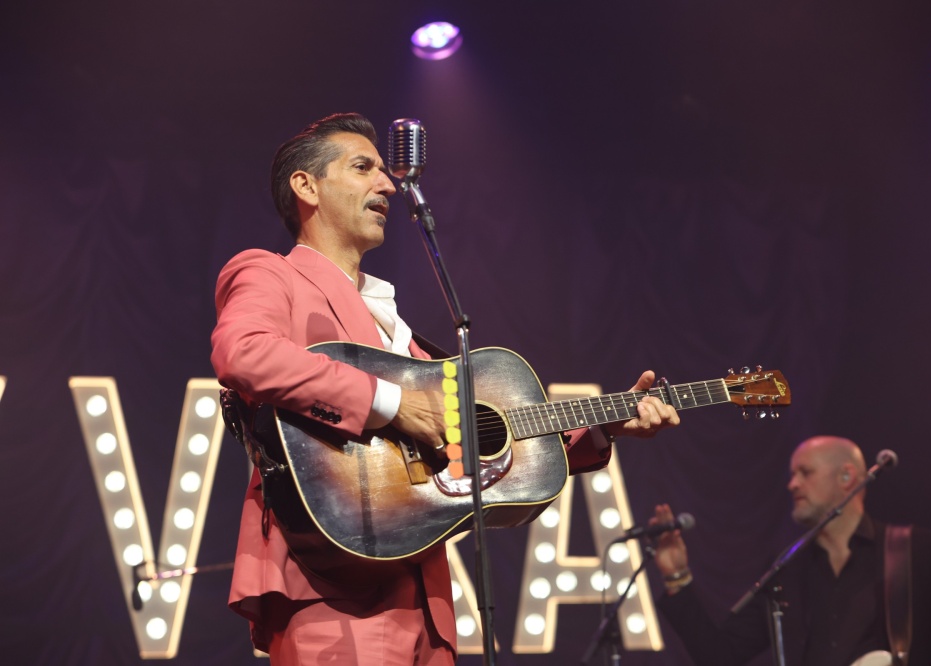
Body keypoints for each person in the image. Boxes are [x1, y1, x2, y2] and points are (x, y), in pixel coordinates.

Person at [210, 112, 681, 665]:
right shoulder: (270, 273)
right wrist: (391, 403)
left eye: (384, 170)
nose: (387, 185)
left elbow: (484, 440)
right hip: (331, 587)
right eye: (363, 167)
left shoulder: (400, 332)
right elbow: (243, 352)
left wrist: (603, 426)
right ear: (306, 186)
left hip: (425, 601)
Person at [650, 435, 931, 666]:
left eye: (805, 472)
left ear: (847, 477)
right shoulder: (787, 570)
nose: (792, 484)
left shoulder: (918, 550)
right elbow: (719, 656)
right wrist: (676, 576)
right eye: (792, 474)